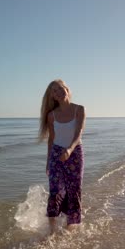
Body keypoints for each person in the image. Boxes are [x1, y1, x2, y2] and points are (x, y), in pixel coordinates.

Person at [39, 79, 86, 232]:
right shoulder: (51, 115)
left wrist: (70, 150)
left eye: (60, 89)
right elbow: (51, 139)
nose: (57, 92)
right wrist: (48, 162)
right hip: (56, 155)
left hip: (75, 153)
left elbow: (78, 134)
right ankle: (51, 229)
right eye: (54, 91)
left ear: (66, 89)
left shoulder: (79, 109)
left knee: (74, 190)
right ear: (52, 97)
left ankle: (69, 227)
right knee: (55, 191)